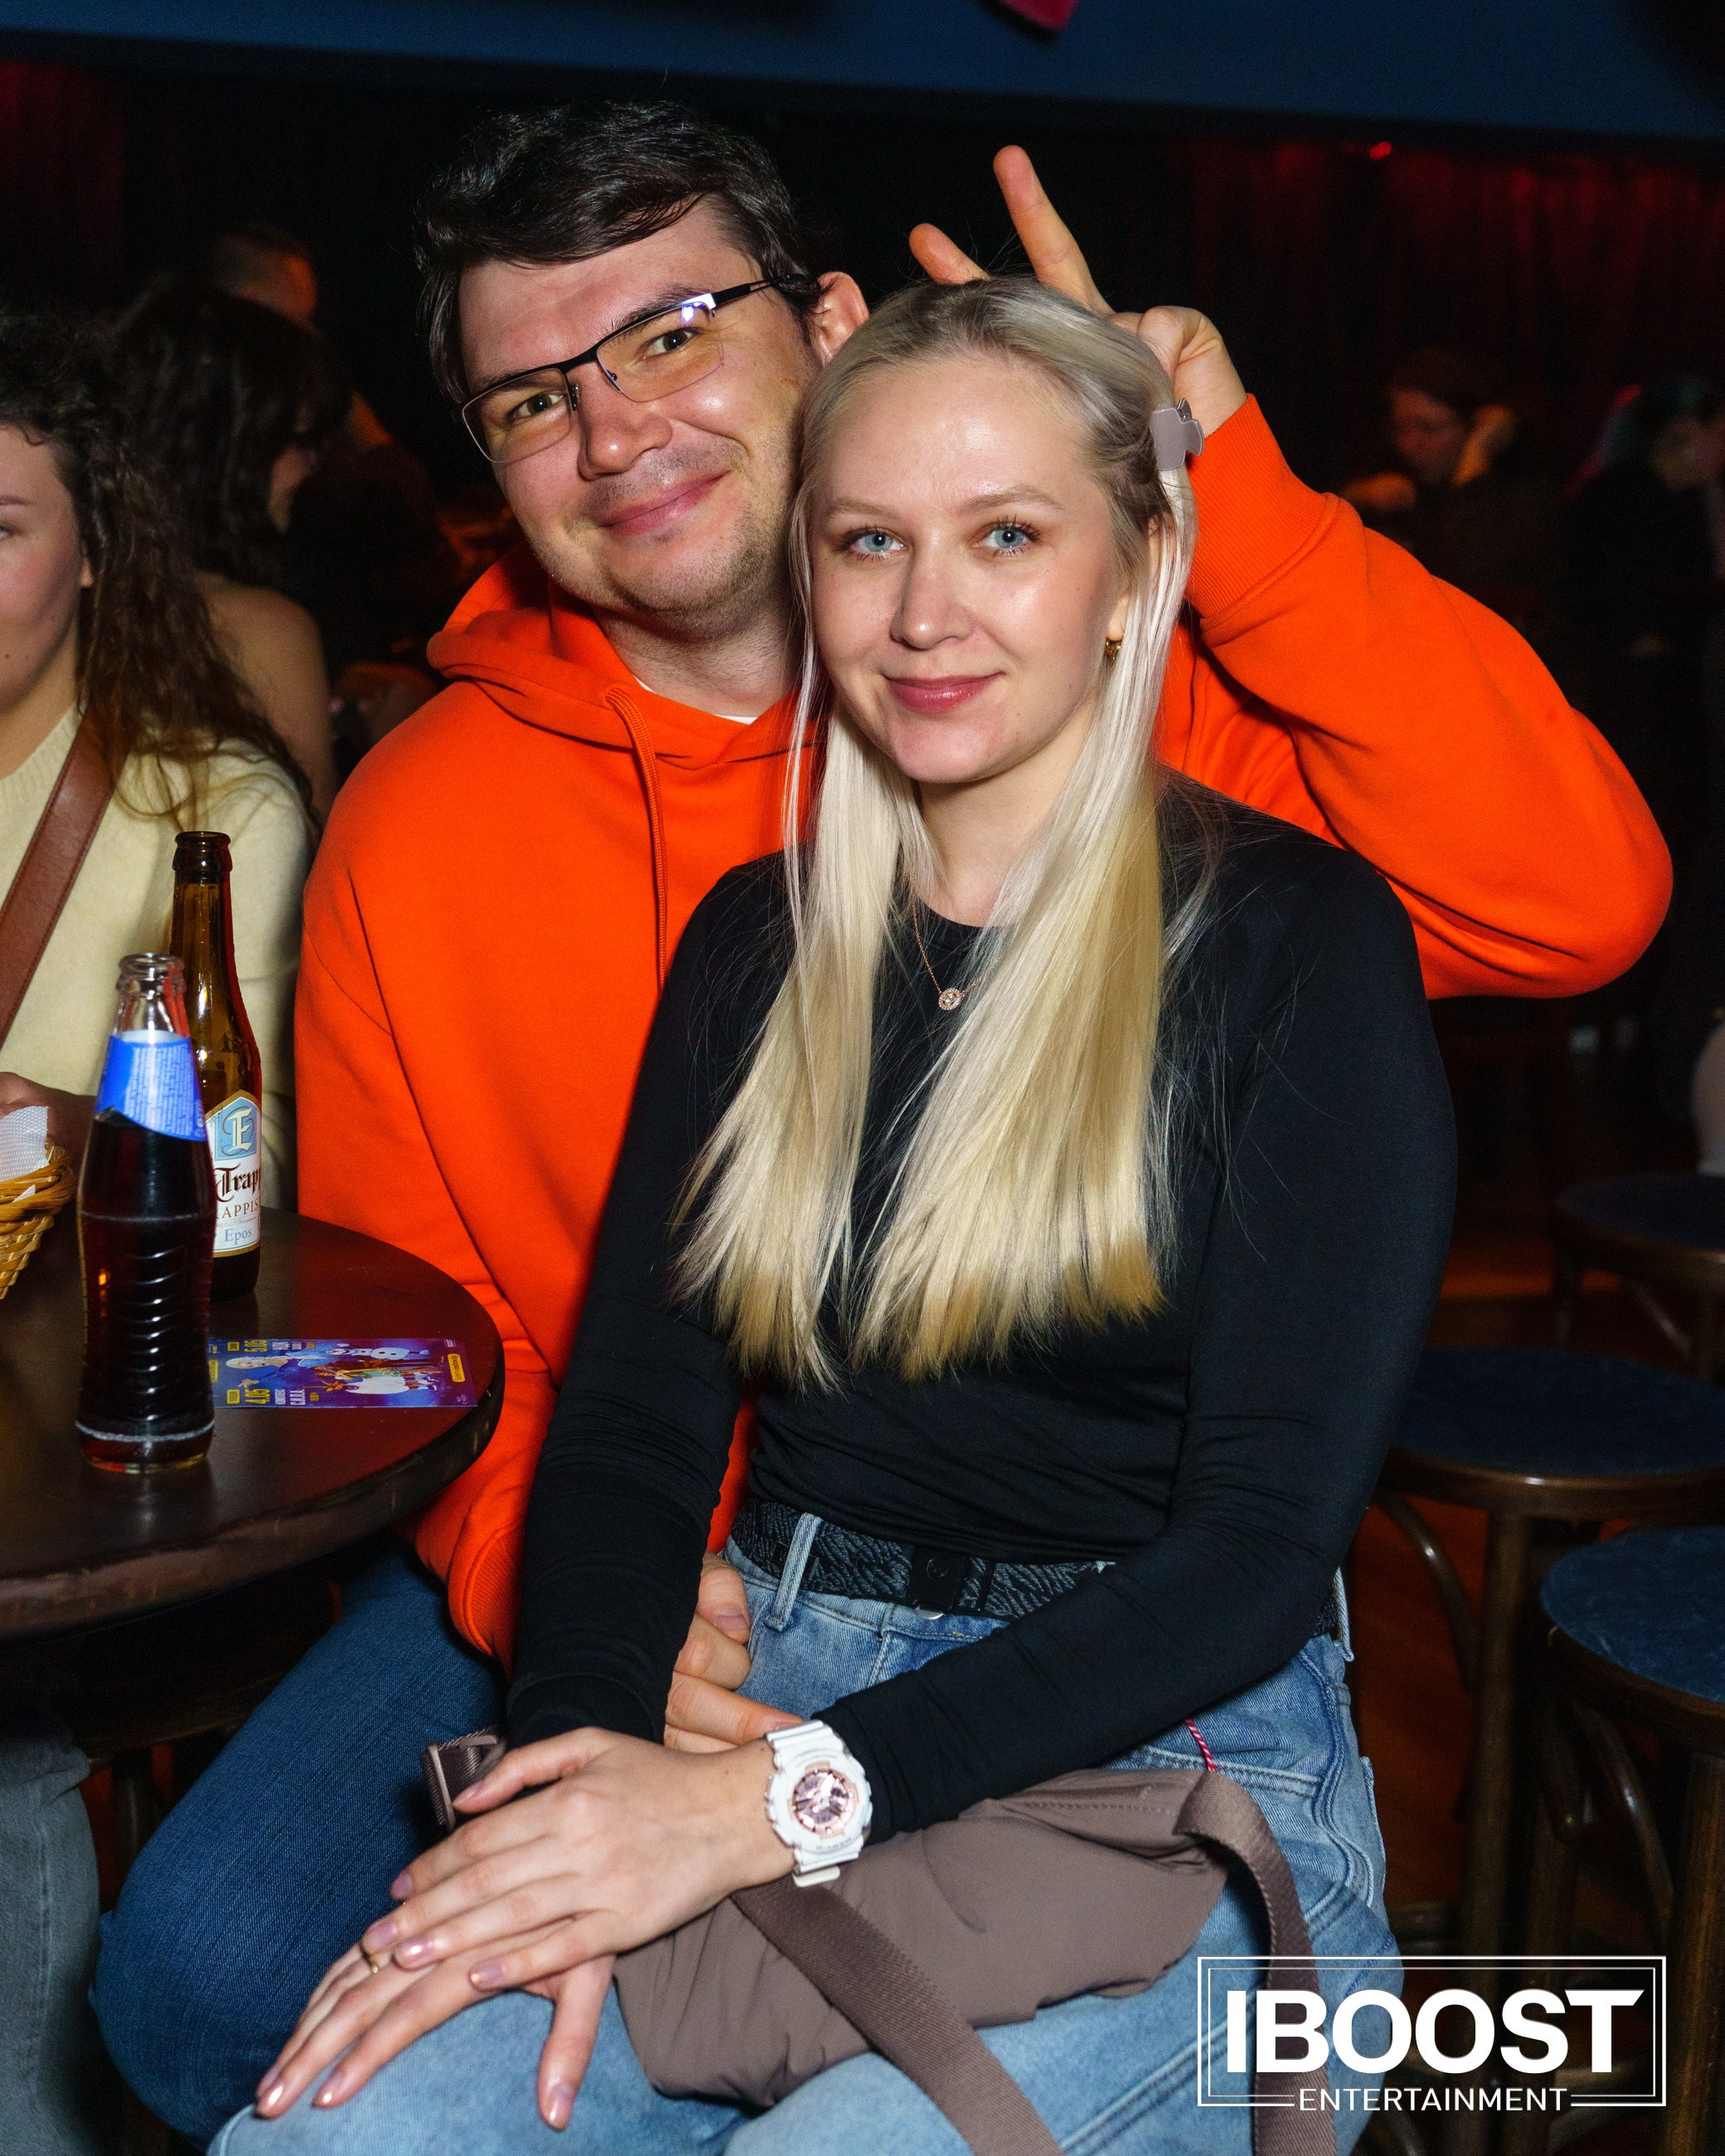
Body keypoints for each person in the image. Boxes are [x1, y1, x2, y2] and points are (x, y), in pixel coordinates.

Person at [95, 100, 1669, 2147]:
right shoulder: (529, 846)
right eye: (534, 395)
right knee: (247, 2017)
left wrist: (1222, 496)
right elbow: (486, 1350)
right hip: (656, 1568)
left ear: (827, 331)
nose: (615, 426)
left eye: (669, 332)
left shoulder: (1211, 805)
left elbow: (1576, 898)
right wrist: (591, 1727)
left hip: (1109, 1691)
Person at [0, 299, 313, 2156]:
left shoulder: (211, 805)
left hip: (99, 1427)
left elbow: (246, 1189)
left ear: (95, 553)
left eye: (0, 524)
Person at [114, 283, 349, 817]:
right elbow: (304, 868)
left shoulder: (74, 600)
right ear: (224, 449)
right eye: (297, 440)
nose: (309, 466)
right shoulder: (258, 627)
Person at [1567, 376, 1725, 867]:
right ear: (1685, 430)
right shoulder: (1618, 500)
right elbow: (1611, 614)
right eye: (1720, 430)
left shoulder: (1692, 500)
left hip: (1677, 691)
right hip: (1628, 702)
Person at [1344, 348, 1566, 663]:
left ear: (1475, 425)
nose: (1409, 444)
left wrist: (1473, 465)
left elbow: (1463, 580)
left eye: (1429, 429)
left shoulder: (1525, 496)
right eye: (1401, 428)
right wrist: (1352, 498)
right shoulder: (1394, 479)